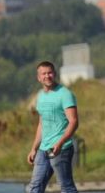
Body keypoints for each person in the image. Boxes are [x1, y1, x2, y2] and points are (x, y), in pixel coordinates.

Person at [27, 59, 80, 193]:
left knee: (66, 186)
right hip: (43, 150)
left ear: (54, 74)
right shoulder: (40, 96)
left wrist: (60, 143)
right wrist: (34, 148)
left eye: (49, 73)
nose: (47, 76)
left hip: (61, 149)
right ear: (39, 78)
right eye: (43, 74)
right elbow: (42, 123)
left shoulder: (65, 94)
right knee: (35, 186)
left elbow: (74, 122)